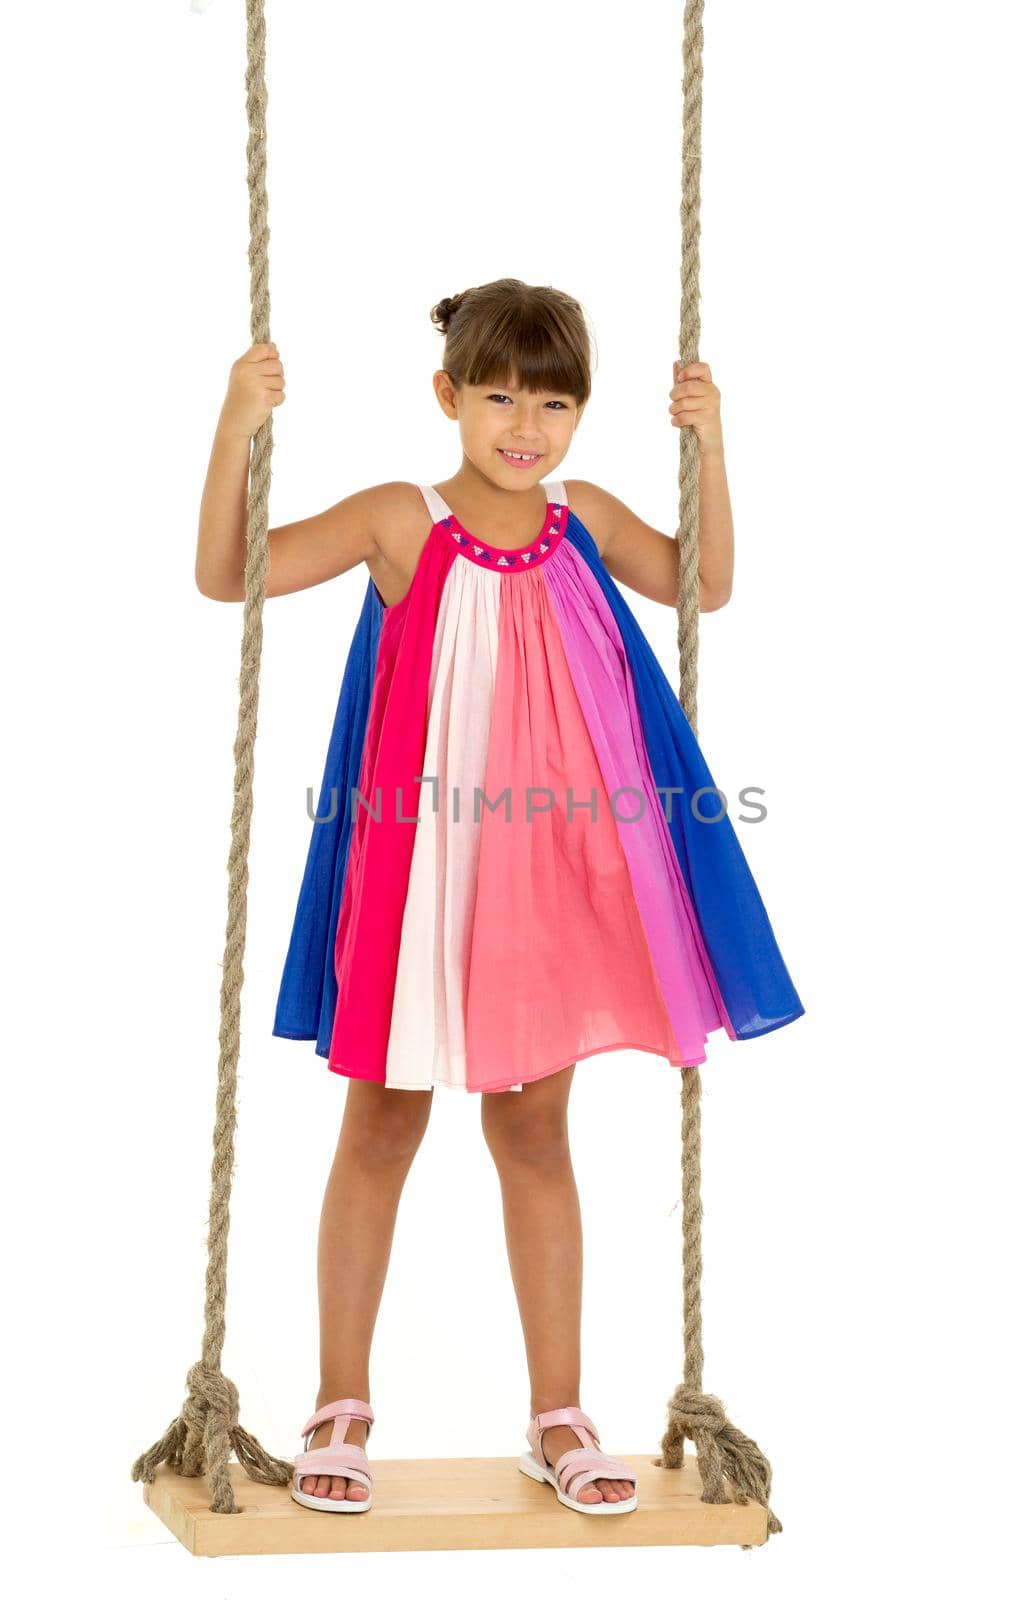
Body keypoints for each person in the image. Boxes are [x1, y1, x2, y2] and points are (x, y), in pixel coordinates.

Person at [195, 277, 803, 1517]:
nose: (525, 423)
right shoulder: (396, 520)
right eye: (500, 396)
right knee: (381, 1123)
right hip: (421, 873)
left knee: (534, 1134)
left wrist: (713, 447)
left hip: (551, 881)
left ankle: (558, 1411)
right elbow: (230, 575)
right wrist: (234, 426)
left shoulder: (585, 517)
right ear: (450, 398)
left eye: (554, 401)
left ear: (579, 415)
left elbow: (704, 583)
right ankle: (340, 1399)